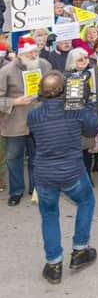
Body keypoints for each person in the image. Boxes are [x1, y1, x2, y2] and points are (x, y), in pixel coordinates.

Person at [27, 71, 98, 284]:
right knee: (86, 201)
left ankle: (53, 263)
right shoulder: (75, 110)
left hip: (44, 174)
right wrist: (88, 103)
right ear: (65, 89)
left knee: (49, 215)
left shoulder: (34, 115)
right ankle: (79, 250)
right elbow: (92, 129)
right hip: (71, 172)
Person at [0, 37, 52, 206]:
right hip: (15, 123)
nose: (34, 55)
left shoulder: (44, 65)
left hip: (39, 121)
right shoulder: (6, 71)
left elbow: (53, 88)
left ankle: (36, 189)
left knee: (37, 157)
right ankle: (16, 192)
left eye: (36, 52)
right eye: (30, 52)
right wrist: (14, 102)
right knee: (13, 158)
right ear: (21, 54)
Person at [64, 48, 98, 184]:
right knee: (76, 152)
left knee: (87, 151)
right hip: (74, 119)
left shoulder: (95, 70)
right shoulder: (66, 76)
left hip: (91, 116)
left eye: (86, 58)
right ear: (72, 62)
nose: (84, 61)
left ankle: (87, 177)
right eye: (80, 59)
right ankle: (76, 178)